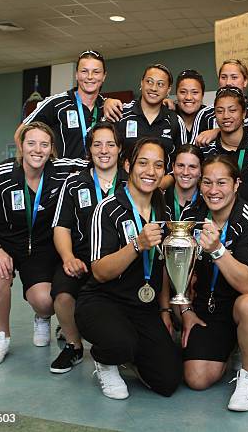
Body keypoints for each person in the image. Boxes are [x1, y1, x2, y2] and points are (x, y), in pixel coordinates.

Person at [75, 138, 182, 400]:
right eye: (143, 163)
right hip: (103, 301)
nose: (150, 171)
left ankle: (130, 353)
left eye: (158, 165)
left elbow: (163, 266)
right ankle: (105, 360)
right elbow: (99, 271)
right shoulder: (107, 208)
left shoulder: (163, 208)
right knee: (120, 342)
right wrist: (137, 244)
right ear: (127, 165)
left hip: (142, 306)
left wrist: (165, 309)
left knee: (168, 381)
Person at [0, 122, 87, 365]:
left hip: (40, 246)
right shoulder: (1, 174)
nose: (38, 150)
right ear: (21, 147)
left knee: (45, 300)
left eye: (44, 144)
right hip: (1, 241)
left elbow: (99, 160)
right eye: (31, 143)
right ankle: (1, 337)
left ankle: (42, 317)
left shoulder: (61, 171)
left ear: (51, 149)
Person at [179, 156, 248, 414]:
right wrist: (185, 311)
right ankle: (235, 346)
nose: (213, 190)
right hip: (206, 307)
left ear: (237, 184)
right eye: (207, 182)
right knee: (197, 379)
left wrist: (217, 250)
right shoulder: (191, 216)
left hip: (239, 303)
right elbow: (175, 270)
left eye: (221, 182)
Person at [50, 121, 124, 373]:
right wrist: (68, 257)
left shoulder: (131, 183)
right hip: (82, 256)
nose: (104, 150)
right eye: (97, 144)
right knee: (62, 293)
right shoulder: (74, 183)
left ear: (119, 149)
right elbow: (61, 226)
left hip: (121, 257)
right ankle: (74, 345)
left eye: (110, 144)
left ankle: (118, 344)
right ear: (89, 150)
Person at [16, 50, 106, 159]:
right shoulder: (56, 103)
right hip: (62, 174)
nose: (90, 76)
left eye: (96, 72)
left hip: (97, 175)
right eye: (84, 71)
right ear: (76, 75)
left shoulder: (107, 107)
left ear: (104, 76)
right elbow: (20, 134)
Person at [200, 86, 248, 219]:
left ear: (244, 113)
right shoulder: (207, 151)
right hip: (218, 229)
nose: (226, 116)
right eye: (220, 111)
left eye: (232, 110)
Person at [111, 63, 187, 190]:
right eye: (149, 82)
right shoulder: (121, 114)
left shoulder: (175, 121)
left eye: (160, 84)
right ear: (142, 83)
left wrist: (162, 183)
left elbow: (183, 163)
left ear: (168, 90)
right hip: (123, 191)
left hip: (161, 196)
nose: (154, 88)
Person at [192, 59, 248, 146]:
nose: (228, 83)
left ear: (245, 81)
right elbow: (193, 148)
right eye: (223, 77)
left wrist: (217, 132)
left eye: (234, 77)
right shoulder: (205, 113)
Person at [165, 143, 204, 221]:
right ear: (173, 167)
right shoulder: (161, 199)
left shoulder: (207, 201)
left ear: (201, 170)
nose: (185, 172)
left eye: (192, 167)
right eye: (181, 165)